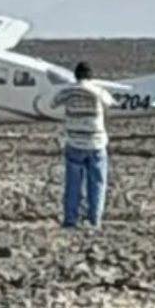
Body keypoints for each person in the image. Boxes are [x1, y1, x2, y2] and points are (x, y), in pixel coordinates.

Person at [50, 61, 116, 229]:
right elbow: (110, 102)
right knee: (97, 183)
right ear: (91, 76)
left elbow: (53, 103)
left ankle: (70, 220)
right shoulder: (97, 91)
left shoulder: (67, 91)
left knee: (73, 184)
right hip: (96, 143)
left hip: (75, 143)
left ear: (76, 75)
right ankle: (94, 220)